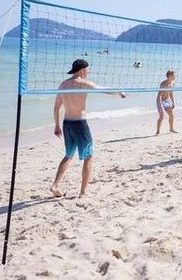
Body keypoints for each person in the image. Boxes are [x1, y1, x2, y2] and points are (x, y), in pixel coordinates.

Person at [51, 59, 126, 198]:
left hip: (67, 123)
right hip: (80, 124)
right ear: (81, 70)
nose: (88, 72)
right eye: (87, 69)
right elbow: (103, 90)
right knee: (88, 157)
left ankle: (55, 185)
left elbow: (56, 108)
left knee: (68, 155)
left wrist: (57, 125)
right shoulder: (83, 84)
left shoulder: (63, 85)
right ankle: (83, 192)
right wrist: (119, 92)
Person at [155, 70, 177, 136]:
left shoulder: (172, 83)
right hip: (160, 100)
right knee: (161, 116)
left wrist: (173, 102)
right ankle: (158, 132)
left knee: (171, 116)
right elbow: (159, 95)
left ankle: (171, 129)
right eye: (173, 75)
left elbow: (171, 93)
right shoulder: (163, 84)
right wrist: (160, 105)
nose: (175, 76)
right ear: (169, 76)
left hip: (167, 100)